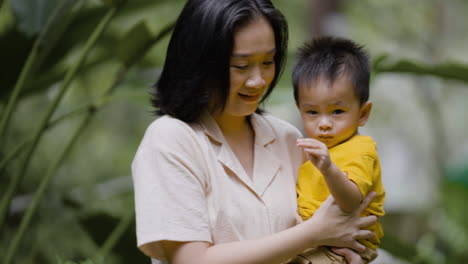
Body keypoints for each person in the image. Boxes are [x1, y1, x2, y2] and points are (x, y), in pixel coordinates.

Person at [131, 1, 377, 263]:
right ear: (199, 62)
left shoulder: (288, 139)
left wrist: (351, 250)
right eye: (241, 66)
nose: (258, 80)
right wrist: (314, 233)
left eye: (268, 62)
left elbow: (337, 227)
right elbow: (192, 260)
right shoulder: (170, 139)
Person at [293, 37, 386, 264]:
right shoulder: (314, 149)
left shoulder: (360, 150)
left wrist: (328, 168)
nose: (324, 123)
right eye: (312, 112)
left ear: (363, 113)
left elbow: (351, 201)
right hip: (316, 241)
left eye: (337, 111)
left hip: (341, 247)